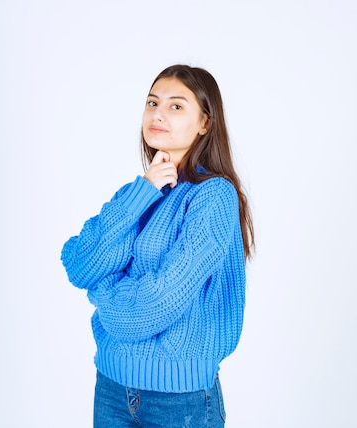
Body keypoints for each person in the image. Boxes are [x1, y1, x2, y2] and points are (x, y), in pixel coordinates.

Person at [61, 64, 254, 427]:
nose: (158, 114)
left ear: (205, 123)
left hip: (179, 400)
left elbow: (159, 301)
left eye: (176, 106)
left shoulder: (213, 196)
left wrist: (104, 293)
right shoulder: (139, 193)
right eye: (152, 103)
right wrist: (142, 192)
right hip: (112, 388)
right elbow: (79, 262)